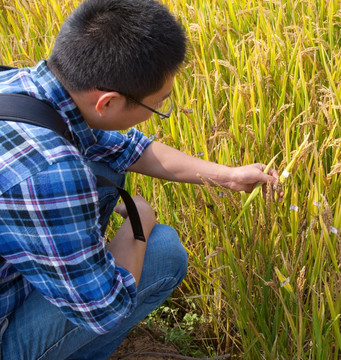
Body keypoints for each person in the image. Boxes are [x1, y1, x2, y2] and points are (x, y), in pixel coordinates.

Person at [0, 0, 281, 358]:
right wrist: (140, 215)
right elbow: (105, 310)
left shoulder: (19, 84)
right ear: (108, 102)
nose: (158, 113)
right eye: (157, 105)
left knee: (104, 165)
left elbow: (126, 148)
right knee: (163, 250)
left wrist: (227, 176)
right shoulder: (51, 171)